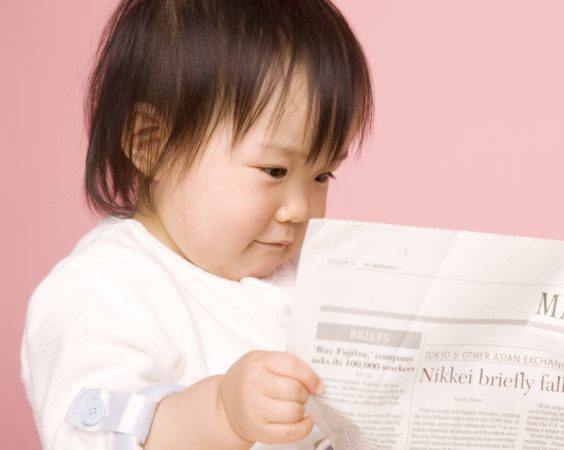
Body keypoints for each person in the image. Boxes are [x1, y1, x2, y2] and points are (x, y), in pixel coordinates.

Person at [20, 0, 373, 449]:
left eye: (322, 176)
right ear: (153, 144)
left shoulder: (304, 277)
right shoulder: (100, 290)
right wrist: (222, 415)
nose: (299, 209)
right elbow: (99, 438)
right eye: (275, 171)